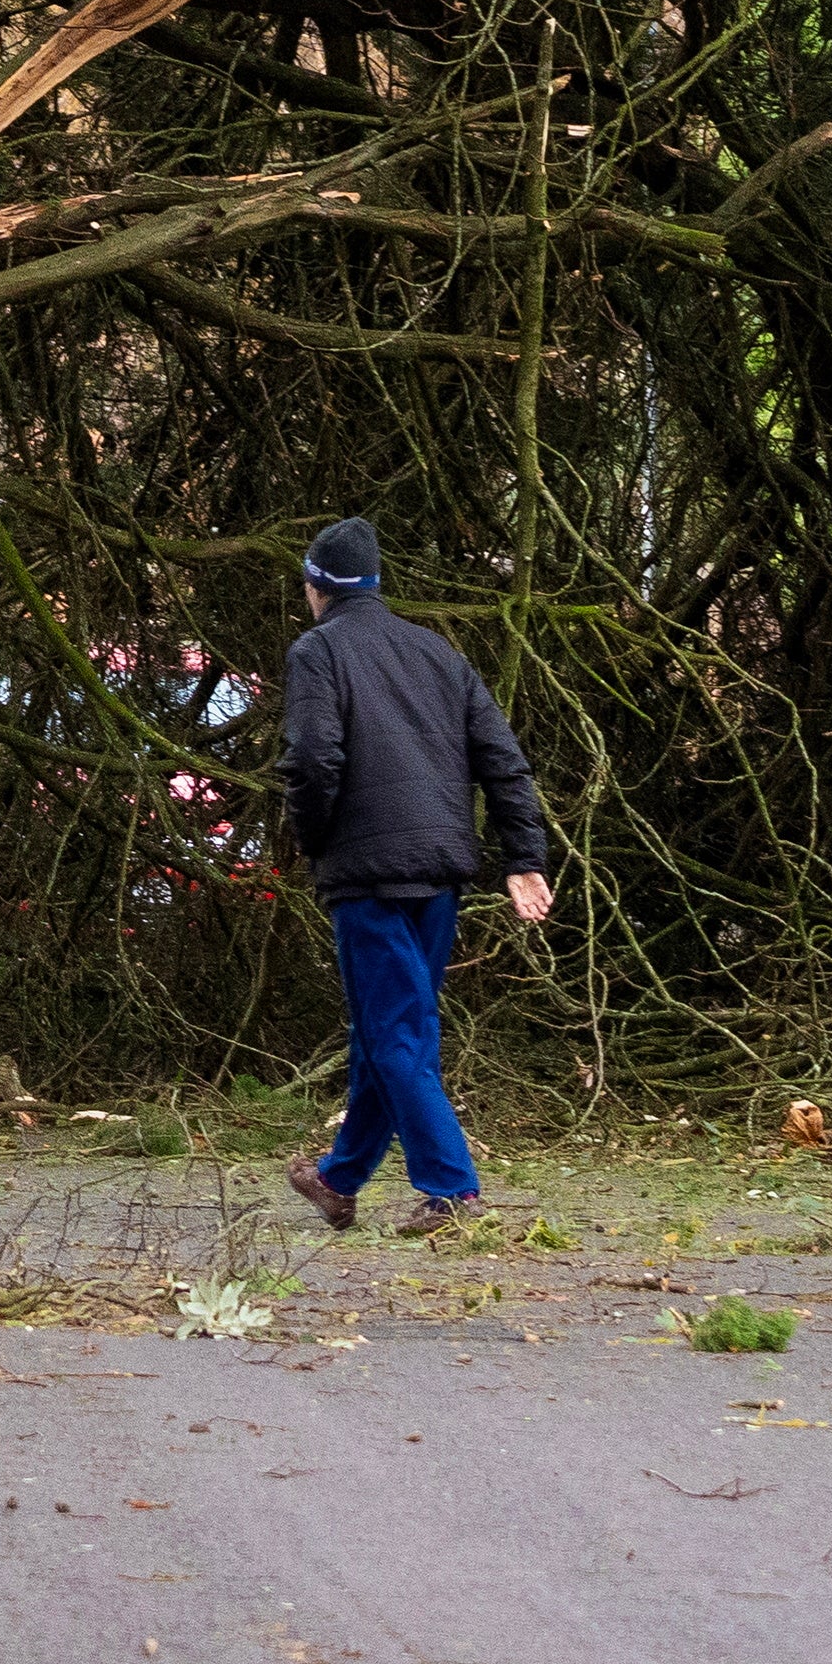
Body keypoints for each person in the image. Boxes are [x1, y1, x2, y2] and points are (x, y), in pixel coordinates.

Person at [275, 516, 551, 1239]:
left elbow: (310, 760)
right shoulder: (439, 655)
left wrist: (317, 840)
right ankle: (339, 1179)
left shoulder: (317, 653)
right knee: (385, 1031)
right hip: (440, 874)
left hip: (368, 878)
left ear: (316, 587)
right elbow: (504, 764)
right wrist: (522, 858)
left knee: (397, 1038)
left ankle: (452, 1192)